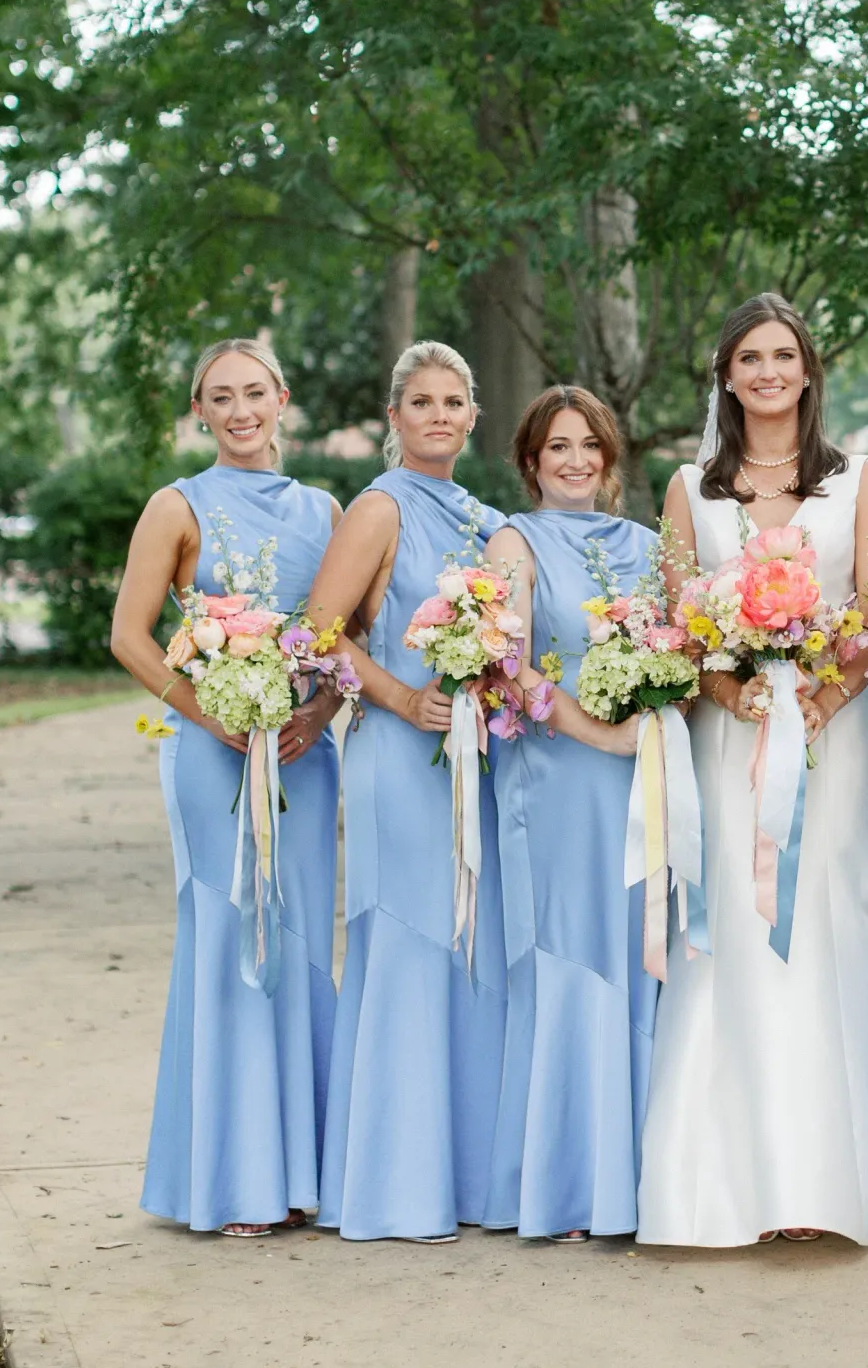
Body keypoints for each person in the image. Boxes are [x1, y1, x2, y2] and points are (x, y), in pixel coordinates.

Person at [637, 294, 868, 1248]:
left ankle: (823, 1181)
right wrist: (728, 687)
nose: (767, 372)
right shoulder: (688, 491)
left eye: (783, 354)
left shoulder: (858, 480)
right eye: (749, 356)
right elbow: (675, 625)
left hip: (836, 734)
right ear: (726, 374)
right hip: (732, 736)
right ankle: (726, 1182)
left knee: (823, 916)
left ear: (808, 370)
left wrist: (826, 697)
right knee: (737, 931)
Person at [111, 338, 342, 1236]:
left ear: (283, 398)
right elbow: (131, 636)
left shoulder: (325, 510)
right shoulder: (176, 506)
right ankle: (232, 1178)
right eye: (221, 397)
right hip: (212, 754)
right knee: (228, 932)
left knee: (299, 933)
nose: (241, 410)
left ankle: (304, 1172)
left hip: (299, 754)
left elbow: (343, 636)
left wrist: (319, 713)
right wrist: (209, 714)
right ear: (199, 411)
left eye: (255, 392)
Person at [303, 341, 507, 1243]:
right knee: (406, 944)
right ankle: (388, 1187)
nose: (436, 414)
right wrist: (399, 697)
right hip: (395, 751)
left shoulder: (487, 519)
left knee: (467, 947)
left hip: (472, 760)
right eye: (419, 401)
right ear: (394, 417)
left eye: (452, 401)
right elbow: (319, 629)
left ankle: (461, 1179)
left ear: (472, 416)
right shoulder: (379, 507)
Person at [481, 387, 657, 1243]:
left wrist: (648, 733)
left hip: (643, 779)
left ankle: (647, 1176)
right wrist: (603, 737)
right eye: (558, 447)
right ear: (530, 461)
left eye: (591, 446)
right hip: (558, 774)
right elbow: (507, 668)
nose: (576, 460)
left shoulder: (653, 547)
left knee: (638, 954)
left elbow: (688, 650)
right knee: (573, 953)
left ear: (610, 459)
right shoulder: (514, 541)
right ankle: (572, 1187)